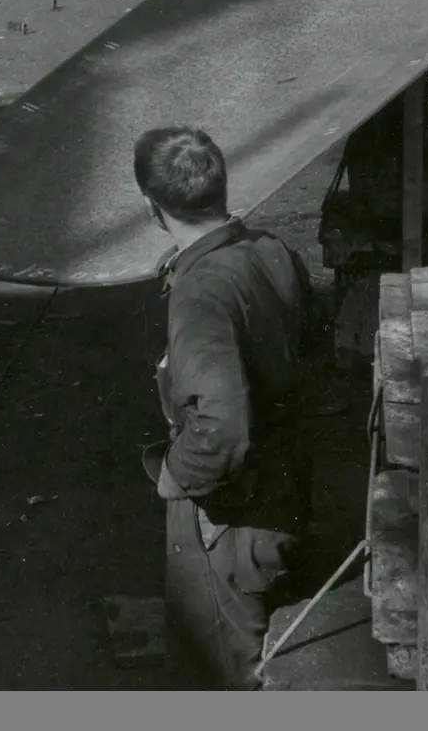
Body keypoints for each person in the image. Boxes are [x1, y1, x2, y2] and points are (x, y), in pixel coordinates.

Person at [134, 126, 313, 690]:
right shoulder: (270, 251)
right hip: (282, 488)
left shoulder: (201, 291)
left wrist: (175, 475)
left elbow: (220, 425)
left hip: (229, 517)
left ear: (151, 206)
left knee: (219, 672)